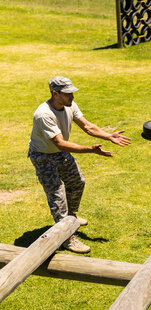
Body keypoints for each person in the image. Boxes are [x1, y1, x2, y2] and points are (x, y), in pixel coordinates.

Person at [28, 76, 131, 254]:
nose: (72, 97)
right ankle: (67, 239)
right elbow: (59, 143)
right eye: (68, 94)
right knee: (57, 196)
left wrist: (108, 136)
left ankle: (71, 216)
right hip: (43, 156)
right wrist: (90, 149)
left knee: (77, 182)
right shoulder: (44, 114)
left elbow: (88, 127)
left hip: (60, 152)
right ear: (55, 93)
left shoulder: (69, 105)